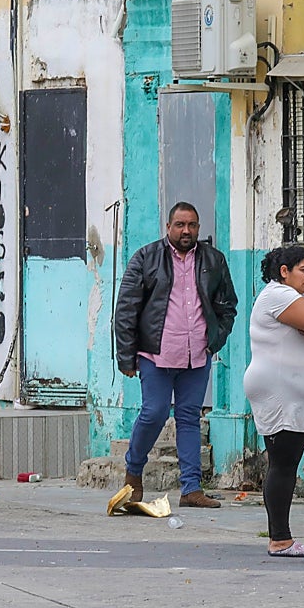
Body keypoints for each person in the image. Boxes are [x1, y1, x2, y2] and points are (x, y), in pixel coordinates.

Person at [115, 202, 237, 509]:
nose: (186, 231)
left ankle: (191, 489)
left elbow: (227, 306)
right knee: (154, 412)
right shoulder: (146, 257)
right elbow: (126, 308)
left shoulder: (213, 259)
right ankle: (134, 472)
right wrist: (126, 357)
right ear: (168, 227)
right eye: (180, 225)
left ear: (198, 228)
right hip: (155, 353)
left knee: (189, 418)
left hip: (197, 354)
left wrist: (214, 341)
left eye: (192, 225)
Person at [243, 246, 304, 557]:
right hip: (278, 389)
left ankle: (284, 537)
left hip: (293, 389)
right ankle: (279, 539)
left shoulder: (301, 297)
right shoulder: (277, 294)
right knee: (283, 462)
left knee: (287, 461)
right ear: (284, 271)